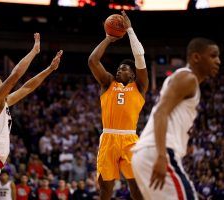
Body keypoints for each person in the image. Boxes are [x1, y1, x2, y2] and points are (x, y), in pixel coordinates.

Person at [0, 33, 63, 200]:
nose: (4, 83)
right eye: (1, 82)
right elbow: (15, 76)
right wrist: (34, 51)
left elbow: (26, 88)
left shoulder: (3, 103)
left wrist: (50, 69)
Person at [131, 37, 220, 199]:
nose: (218, 61)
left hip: (147, 154)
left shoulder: (187, 82)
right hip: (157, 151)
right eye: (213, 56)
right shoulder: (188, 78)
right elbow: (160, 113)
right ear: (196, 57)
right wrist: (161, 155)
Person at [88, 11, 148, 200]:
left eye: (123, 69)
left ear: (131, 75)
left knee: (136, 187)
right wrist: (107, 39)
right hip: (108, 138)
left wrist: (129, 30)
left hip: (129, 140)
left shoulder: (139, 86)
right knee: (105, 189)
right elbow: (92, 61)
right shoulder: (108, 84)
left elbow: (140, 57)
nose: (118, 70)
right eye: (118, 68)